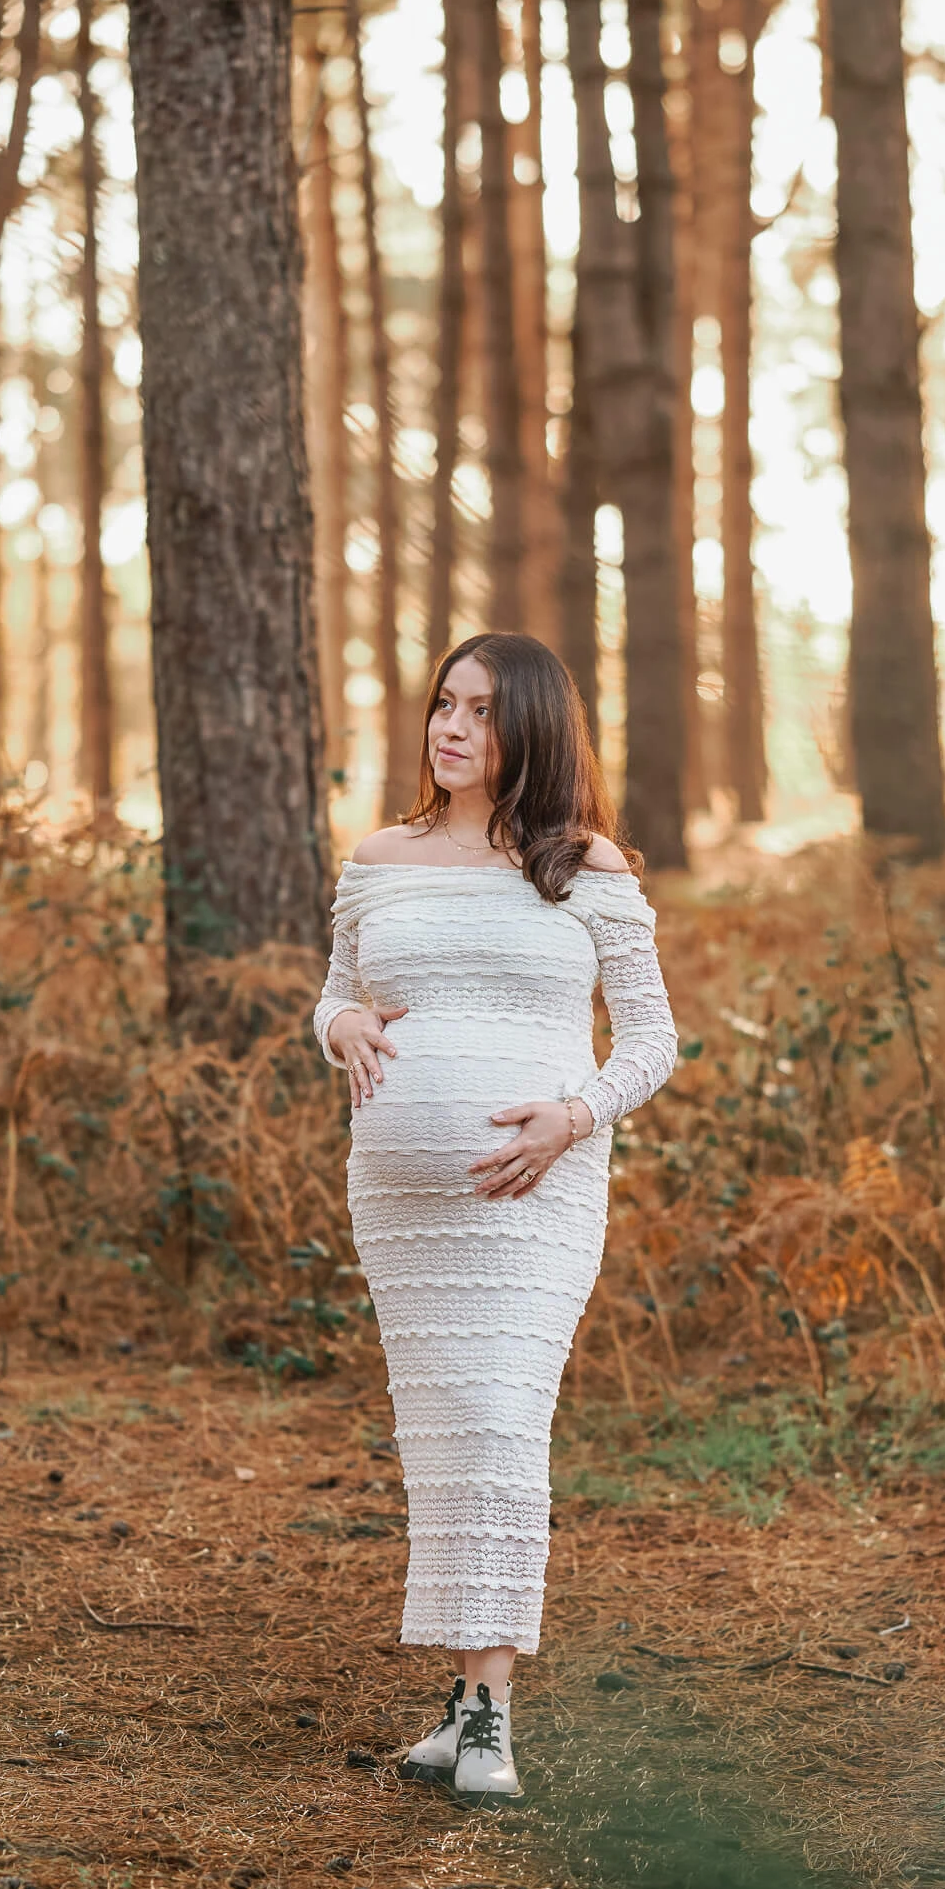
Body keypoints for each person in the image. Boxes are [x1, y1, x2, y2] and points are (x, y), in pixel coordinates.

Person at [312, 633, 678, 1806]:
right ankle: (462, 1700)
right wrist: (341, 1027)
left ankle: (490, 1716)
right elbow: (337, 996)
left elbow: (652, 1040)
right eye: (442, 704)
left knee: (501, 1422)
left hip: (536, 1194)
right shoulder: (380, 858)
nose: (451, 727)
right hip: (404, 1203)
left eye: (480, 709)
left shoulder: (583, 866)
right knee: (441, 1436)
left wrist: (573, 1116)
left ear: (531, 727)